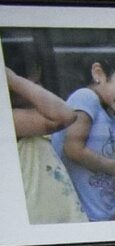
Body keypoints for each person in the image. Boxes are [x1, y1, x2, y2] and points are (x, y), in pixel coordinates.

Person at [48, 55, 115, 221]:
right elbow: (73, 149)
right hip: (83, 216)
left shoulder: (111, 119)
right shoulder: (85, 97)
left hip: (104, 213)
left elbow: (94, 173)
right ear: (98, 73)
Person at [9, 60, 84, 224]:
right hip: (40, 224)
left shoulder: (32, 118)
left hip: (59, 220)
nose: (41, 88)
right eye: (34, 84)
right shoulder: (10, 119)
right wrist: (12, 78)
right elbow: (65, 116)